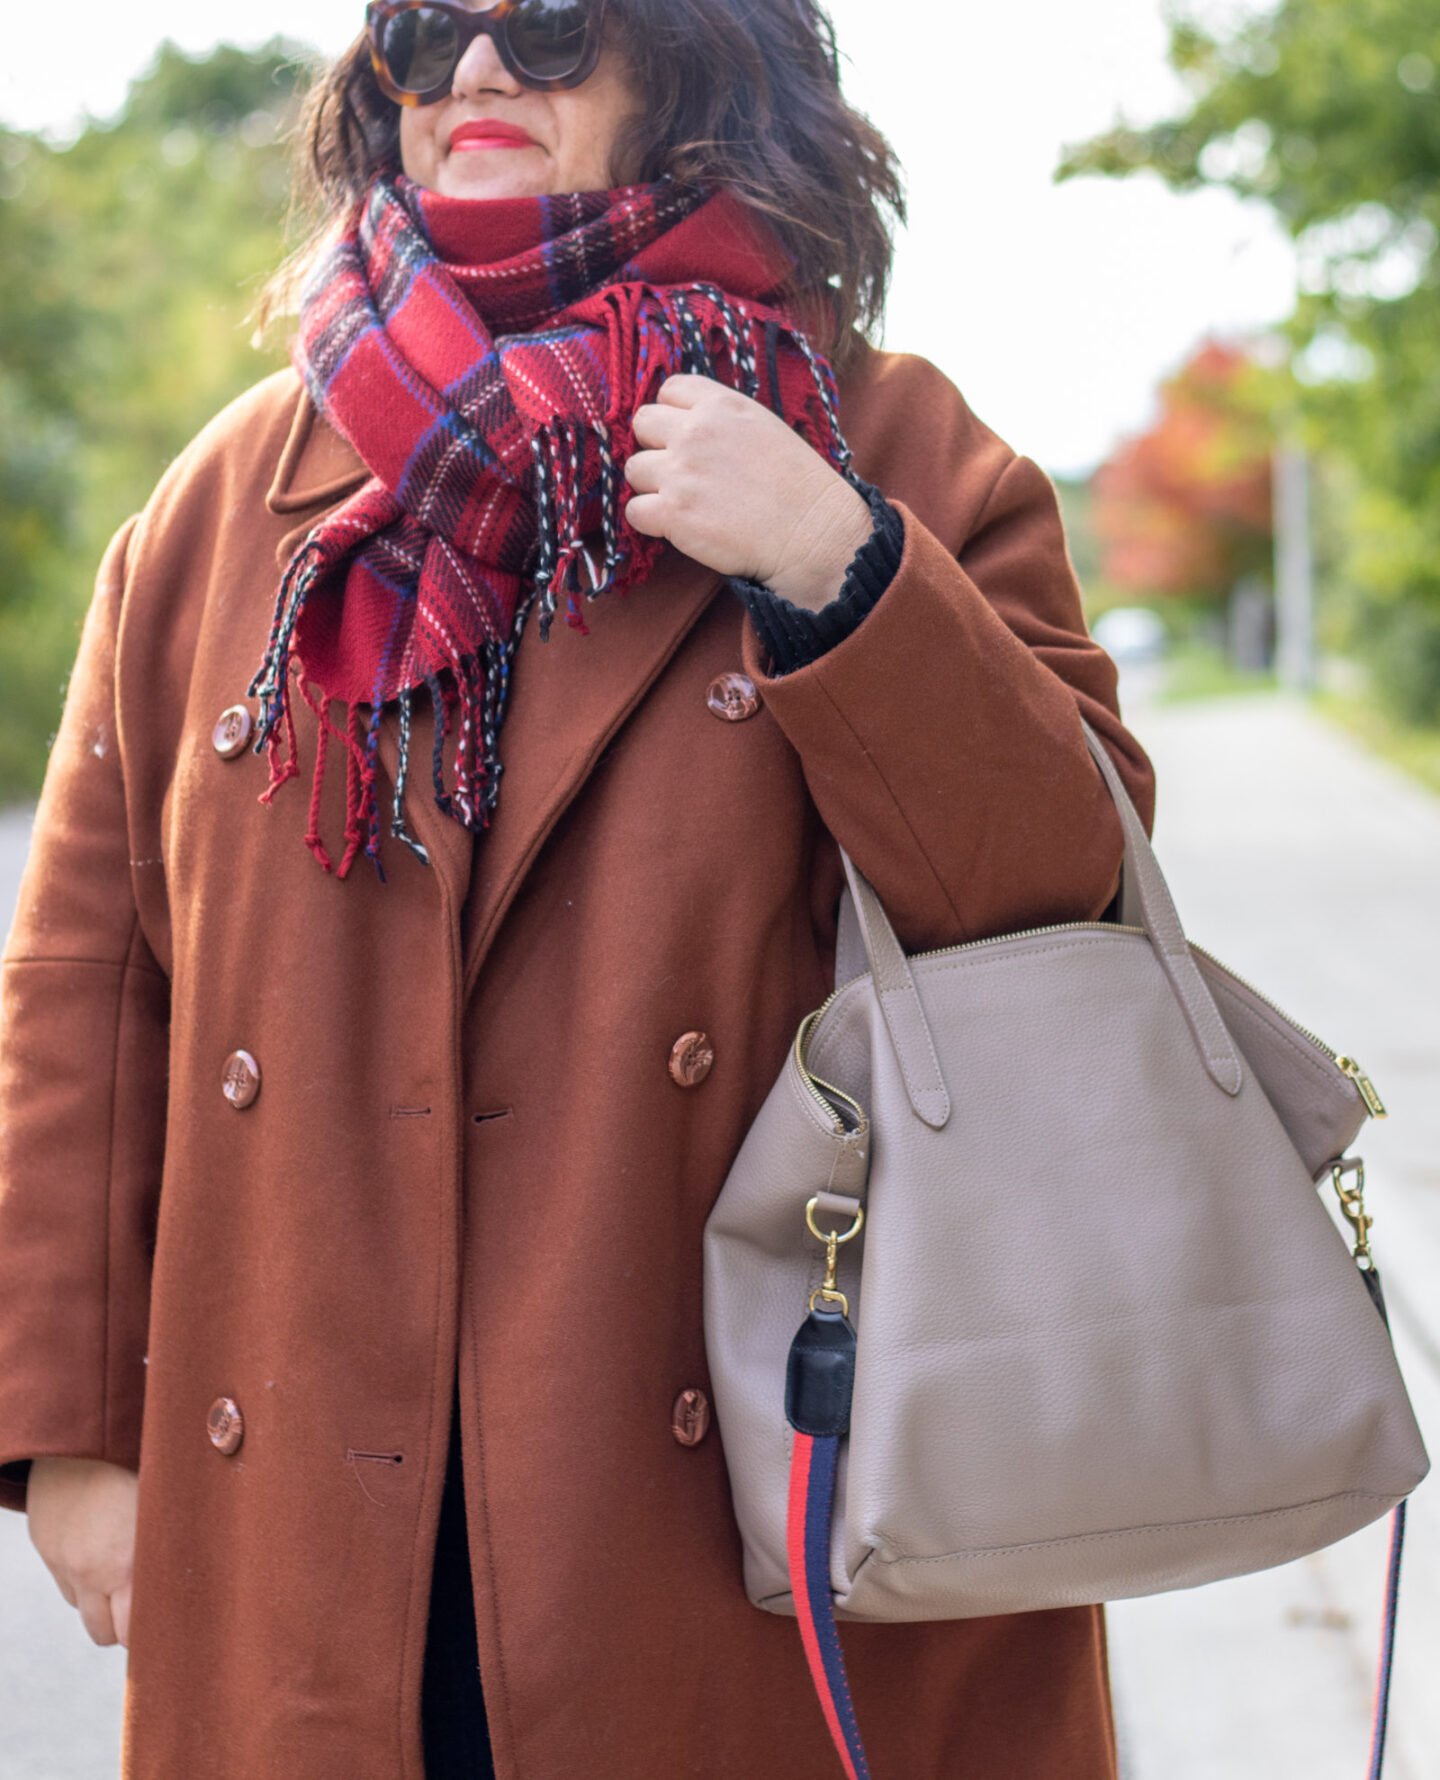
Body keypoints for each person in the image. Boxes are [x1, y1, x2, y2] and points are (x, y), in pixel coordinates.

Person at [0, 0, 1155, 1774]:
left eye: (544, 31)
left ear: (695, 63)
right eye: (423, 34)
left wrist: (830, 566)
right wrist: (73, 1434)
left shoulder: (896, 451)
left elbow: (1073, 903)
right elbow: (87, 981)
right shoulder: (231, 500)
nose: (470, 75)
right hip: (315, 1514)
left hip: (759, 1513)